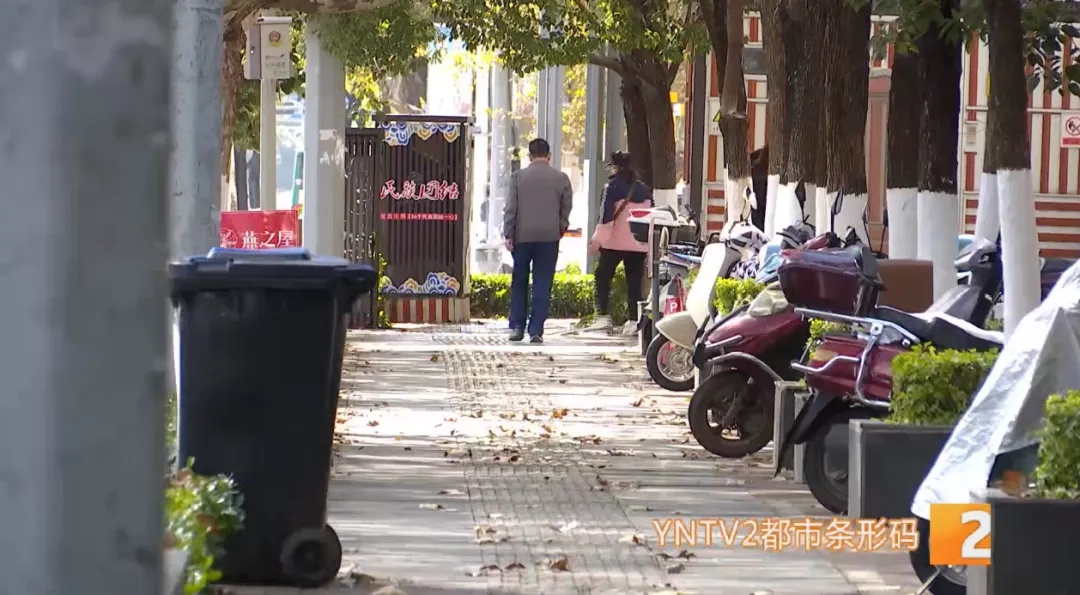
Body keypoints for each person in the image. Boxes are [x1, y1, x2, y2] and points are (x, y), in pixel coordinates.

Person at [502, 138, 573, 343]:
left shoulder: (518, 178)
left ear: (529, 156)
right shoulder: (561, 179)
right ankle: (536, 330)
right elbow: (566, 206)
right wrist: (560, 226)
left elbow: (511, 208)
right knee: (543, 282)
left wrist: (508, 233)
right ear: (549, 156)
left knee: (520, 281)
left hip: (522, 236)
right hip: (549, 237)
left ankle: (517, 326)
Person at [590, 151, 654, 335]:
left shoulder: (611, 187)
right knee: (634, 282)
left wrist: (597, 241)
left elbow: (606, 217)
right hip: (637, 244)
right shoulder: (644, 189)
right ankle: (634, 321)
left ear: (615, 167)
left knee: (602, 277)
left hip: (613, 244)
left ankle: (602, 317)